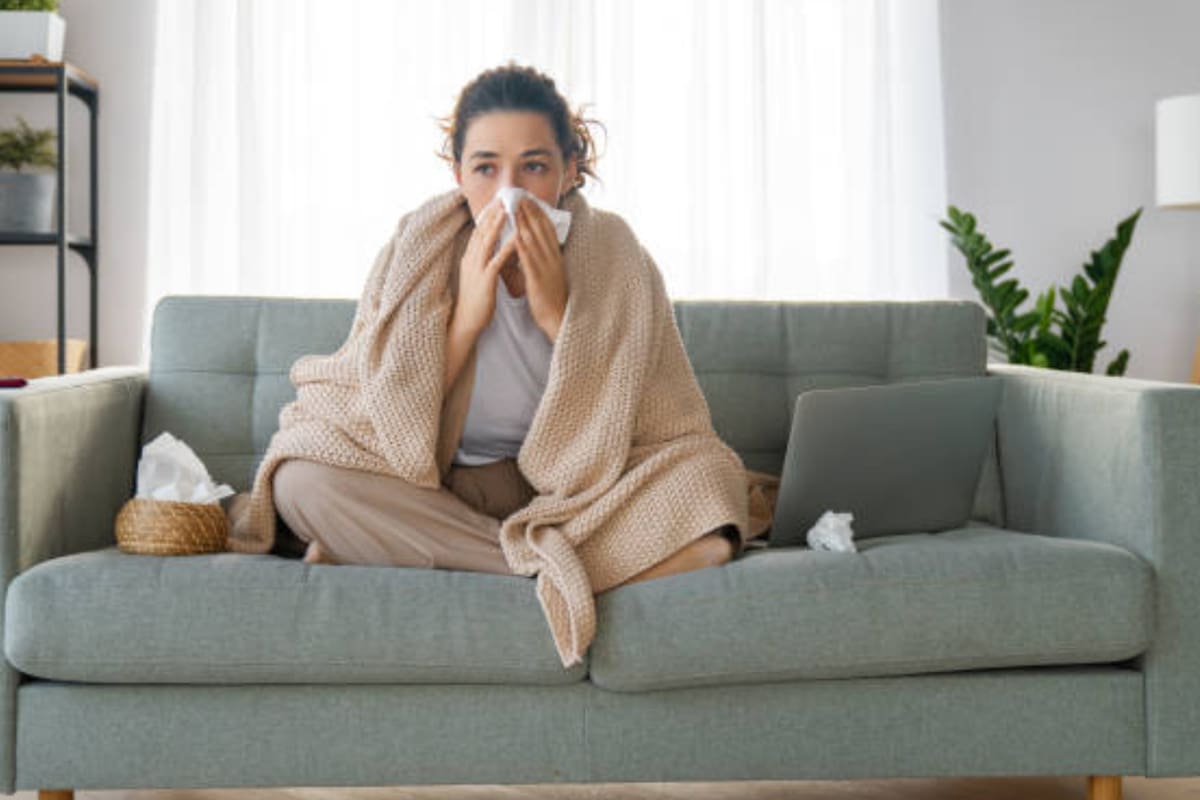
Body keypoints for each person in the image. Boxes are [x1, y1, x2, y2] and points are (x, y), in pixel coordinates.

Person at [260, 63, 744, 593]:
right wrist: (467, 315)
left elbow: (654, 418)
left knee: (710, 475)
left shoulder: (615, 254)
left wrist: (559, 316)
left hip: (577, 492)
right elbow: (386, 416)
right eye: (486, 168)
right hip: (444, 487)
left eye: (534, 167)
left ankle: (402, 554)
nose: (509, 190)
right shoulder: (418, 247)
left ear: (570, 170)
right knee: (302, 482)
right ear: (458, 175)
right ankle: (562, 572)